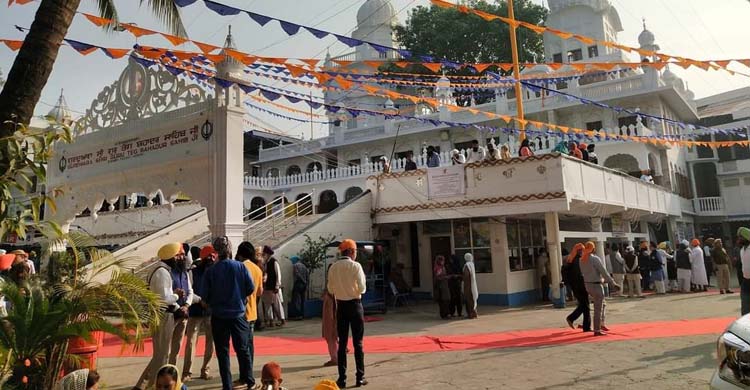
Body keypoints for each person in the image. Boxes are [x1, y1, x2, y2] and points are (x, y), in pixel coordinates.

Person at [202, 236, 256, 390]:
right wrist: (240, 297)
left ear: (216, 251)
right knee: (243, 349)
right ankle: (249, 380)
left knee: (222, 351)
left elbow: (205, 295)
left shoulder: (211, 271)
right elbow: (250, 288)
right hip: (238, 314)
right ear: (230, 249)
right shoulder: (240, 267)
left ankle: (227, 384)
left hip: (219, 316)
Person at [134, 243, 183, 390]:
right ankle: (151, 385)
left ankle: (144, 385)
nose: (179, 258)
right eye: (177, 256)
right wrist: (177, 295)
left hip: (159, 314)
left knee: (160, 354)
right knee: (161, 356)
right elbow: (164, 299)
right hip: (163, 315)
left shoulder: (158, 270)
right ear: (170, 257)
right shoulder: (162, 273)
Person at [327, 239, 368, 388]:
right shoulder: (355, 266)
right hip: (355, 306)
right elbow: (362, 288)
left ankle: (342, 379)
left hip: (341, 307)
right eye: (355, 251)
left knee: (342, 343)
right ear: (351, 251)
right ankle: (360, 377)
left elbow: (330, 289)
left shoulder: (333, 267)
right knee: (358, 343)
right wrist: (354, 290)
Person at [181, 245, 216, 382]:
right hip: (195, 310)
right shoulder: (193, 271)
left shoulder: (215, 271)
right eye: (209, 256)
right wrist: (200, 300)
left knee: (210, 341)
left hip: (210, 311)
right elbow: (189, 289)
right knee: (190, 342)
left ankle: (205, 370)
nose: (211, 259)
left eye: (213, 256)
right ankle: (187, 372)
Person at [579, 242, 620, 336]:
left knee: (600, 305)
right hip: (596, 285)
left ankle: (599, 324)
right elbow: (604, 272)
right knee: (598, 308)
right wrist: (612, 283)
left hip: (587, 284)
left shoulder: (581, 259)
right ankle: (597, 329)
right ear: (593, 249)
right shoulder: (594, 258)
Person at [237, 240, 263, 385]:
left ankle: (245, 376)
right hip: (252, 312)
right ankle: (248, 373)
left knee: (242, 347)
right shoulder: (257, 269)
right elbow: (259, 292)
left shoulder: (240, 267)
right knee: (249, 346)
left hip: (241, 312)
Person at [168, 247, 195, 367]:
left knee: (177, 347)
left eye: (183, 255)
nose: (182, 257)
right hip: (171, 314)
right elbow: (166, 295)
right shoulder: (167, 273)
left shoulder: (185, 273)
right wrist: (179, 307)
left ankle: (172, 371)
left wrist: (187, 305)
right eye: (179, 255)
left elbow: (190, 291)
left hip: (183, 314)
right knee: (165, 349)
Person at [561, 244, 590, 332]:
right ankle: (572, 318)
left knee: (585, 305)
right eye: (580, 250)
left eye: (582, 250)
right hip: (579, 285)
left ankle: (585, 326)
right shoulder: (575, 260)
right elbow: (567, 272)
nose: (581, 252)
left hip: (577, 285)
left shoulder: (571, 260)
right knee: (585, 305)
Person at [261, 245, 285, 328]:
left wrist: (277, 286)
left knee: (277, 304)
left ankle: (282, 319)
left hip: (273, 287)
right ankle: (271, 320)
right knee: (268, 304)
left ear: (267, 254)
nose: (263, 255)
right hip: (267, 287)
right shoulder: (265, 263)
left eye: (264, 254)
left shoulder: (274, 262)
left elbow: (278, 275)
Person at [322, 264, 338, 367]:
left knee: (331, 334)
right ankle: (336, 356)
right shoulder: (337, 281)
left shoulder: (333, 283)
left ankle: (335, 358)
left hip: (331, 308)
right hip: (332, 308)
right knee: (333, 334)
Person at [289, 255, 309, 320]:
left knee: (296, 300)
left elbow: (297, 274)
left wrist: (302, 280)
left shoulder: (295, 266)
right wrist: (306, 283)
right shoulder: (304, 266)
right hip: (304, 285)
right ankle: (303, 314)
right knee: (303, 300)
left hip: (298, 284)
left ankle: (297, 315)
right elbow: (307, 276)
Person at [737, 227, 750, 315]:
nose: (739, 239)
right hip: (745, 282)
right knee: (745, 308)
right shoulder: (742, 250)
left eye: (741, 237)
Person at [463, 253, 478, 319]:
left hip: (468, 285)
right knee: (473, 298)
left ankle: (470, 314)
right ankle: (474, 313)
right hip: (473, 284)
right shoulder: (472, 264)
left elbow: (466, 275)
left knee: (468, 299)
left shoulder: (466, 265)